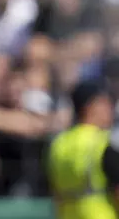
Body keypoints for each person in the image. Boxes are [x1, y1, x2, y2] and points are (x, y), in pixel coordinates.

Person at [47, 80, 117, 219]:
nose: (110, 108)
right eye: (105, 103)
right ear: (90, 107)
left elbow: (54, 193)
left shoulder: (59, 143)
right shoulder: (103, 143)